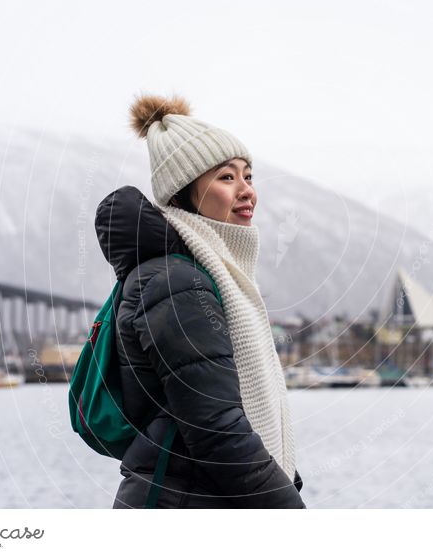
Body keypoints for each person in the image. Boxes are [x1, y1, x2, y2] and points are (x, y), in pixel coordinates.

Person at [95, 94, 305, 508]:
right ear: (184, 192)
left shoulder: (210, 274)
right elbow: (218, 431)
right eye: (227, 178)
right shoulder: (175, 284)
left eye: (248, 176)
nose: (247, 192)